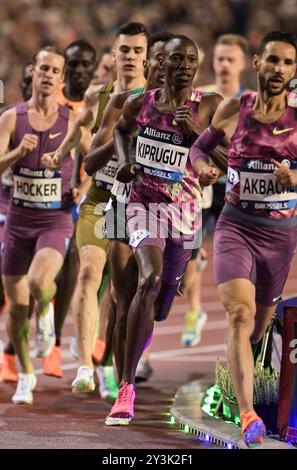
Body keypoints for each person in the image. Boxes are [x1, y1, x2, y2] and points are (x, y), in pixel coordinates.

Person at [105, 34, 222, 425]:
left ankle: (168, 292)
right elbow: (121, 131)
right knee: (148, 280)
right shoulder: (142, 102)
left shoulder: (208, 106)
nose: (185, 65)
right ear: (163, 63)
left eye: (191, 59)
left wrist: (195, 135)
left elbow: (230, 156)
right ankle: (126, 387)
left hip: (186, 215)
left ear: (196, 65)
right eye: (177, 58)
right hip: (143, 205)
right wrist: (124, 160)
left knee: (161, 306)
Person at [190, 31, 297, 446]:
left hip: (281, 236)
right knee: (239, 312)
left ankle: (234, 385)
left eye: (288, 63)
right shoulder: (237, 109)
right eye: (273, 60)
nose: (279, 69)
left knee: (257, 328)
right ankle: (249, 414)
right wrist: (201, 167)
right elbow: (198, 149)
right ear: (257, 63)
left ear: (293, 72)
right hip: (235, 227)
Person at [48, 22, 148, 396]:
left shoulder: (156, 99)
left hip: (136, 204)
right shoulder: (96, 98)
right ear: (114, 54)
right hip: (98, 198)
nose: (130, 57)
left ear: (147, 57)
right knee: (89, 276)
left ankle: (109, 362)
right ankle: (84, 365)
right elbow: (81, 144)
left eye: (138, 51)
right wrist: (74, 175)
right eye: (124, 50)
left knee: (121, 296)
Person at [84, 31, 175, 387]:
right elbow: (91, 162)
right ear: (148, 62)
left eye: (171, 60)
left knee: (156, 302)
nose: (162, 66)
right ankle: (123, 384)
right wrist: (119, 145)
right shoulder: (124, 101)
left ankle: (128, 361)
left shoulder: (186, 108)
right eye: (157, 58)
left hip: (167, 211)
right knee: (124, 299)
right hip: (123, 203)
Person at [0, 46, 88, 404]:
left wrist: (82, 187)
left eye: (56, 70)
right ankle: (24, 374)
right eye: (43, 68)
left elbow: (95, 157)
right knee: (17, 307)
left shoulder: (72, 121)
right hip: (18, 218)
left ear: (61, 79)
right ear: (32, 71)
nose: (49, 75)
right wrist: (19, 153)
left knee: (39, 282)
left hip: (55, 218)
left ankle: (48, 314)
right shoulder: (11, 118)